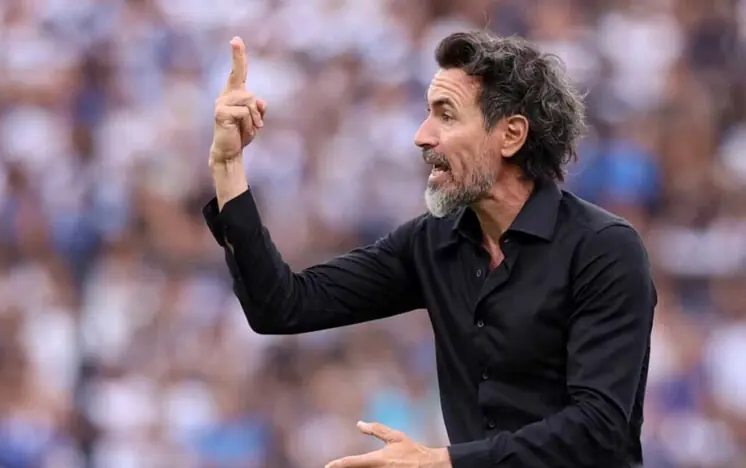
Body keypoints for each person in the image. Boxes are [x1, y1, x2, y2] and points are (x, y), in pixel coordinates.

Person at [203, 31, 656, 468]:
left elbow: (598, 429)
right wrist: (228, 166)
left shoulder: (603, 249)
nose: (422, 135)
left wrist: (443, 461)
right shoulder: (433, 241)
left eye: (446, 115)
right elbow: (283, 306)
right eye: (427, 113)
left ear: (511, 135)